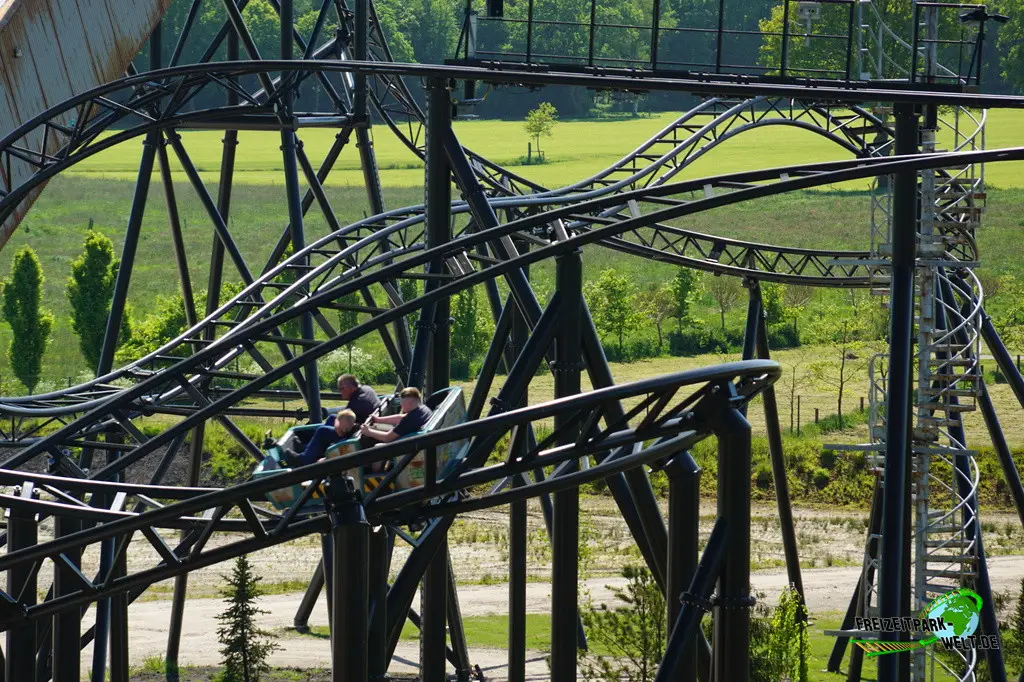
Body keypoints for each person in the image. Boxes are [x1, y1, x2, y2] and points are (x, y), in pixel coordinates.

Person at [288, 375, 380, 466]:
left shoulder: (356, 404)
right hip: (361, 429)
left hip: (356, 438)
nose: (340, 392)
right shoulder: (366, 389)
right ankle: (308, 449)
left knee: (322, 431)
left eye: (341, 389)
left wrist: (337, 426)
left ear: (351, 387)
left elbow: (342, 428)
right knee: (332, 417)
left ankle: (304, 460)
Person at [359, 387, 433, 445]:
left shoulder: (410, 420)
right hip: (411, 438)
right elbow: (401, 417)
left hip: (403, 446)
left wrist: (369, 432)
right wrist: (379, 419)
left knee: (377, 447)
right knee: (377, 426)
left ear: (410, 403)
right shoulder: (422, 409)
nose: (401, 405)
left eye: (402, 403)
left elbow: (387, 438)